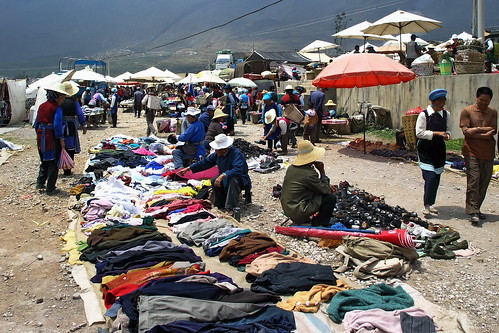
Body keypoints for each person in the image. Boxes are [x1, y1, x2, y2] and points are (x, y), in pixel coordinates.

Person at [178, 134, 251, 212]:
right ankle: (220, 204)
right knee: (213, 180)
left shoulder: (236, 154)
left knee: (233, 181)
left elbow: (238, 169)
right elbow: (205, 162)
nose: (215, 151)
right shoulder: (217, 155)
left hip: (240, 178)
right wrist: (189, 168)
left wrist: (223, 175)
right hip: (225, 177)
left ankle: (231, 207)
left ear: (224, 149)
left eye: (217, 149)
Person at [459, 87, 497, 224]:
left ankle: (477, 208)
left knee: (484, 181)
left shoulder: (493, 112)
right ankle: (472, 210)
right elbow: (466, 132)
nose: (484, 103)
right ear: (477, 98)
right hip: (471, 151)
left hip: (488, 152)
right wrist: (482, 132)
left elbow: (493, 130)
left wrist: (476, 130)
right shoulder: (467, 111)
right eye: (482, 100)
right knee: (474, 180)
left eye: (487, 101)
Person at [280, 140, 336, 227]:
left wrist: (325, 184)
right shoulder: (309, 173)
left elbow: (311, 184)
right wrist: (322, 172)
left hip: (288, 207)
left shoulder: (292, 168)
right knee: (330, 198)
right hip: (297, 209)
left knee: (320, 193)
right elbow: (325, 190)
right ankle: (319, 224)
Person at [34, 81, 77, 195]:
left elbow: (36, 123)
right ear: (58, 96)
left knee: (44, 159)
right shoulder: (56, 108)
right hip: (50, 136)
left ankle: (40, 182)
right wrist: (61, 139)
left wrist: (38, 134)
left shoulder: (42, 106)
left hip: (41, 135)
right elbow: (57, 125)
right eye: (62, 97)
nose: (63, 99)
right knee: (53, 162)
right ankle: (50, 188)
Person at [416, 89, 451, 216]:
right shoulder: (424, 115)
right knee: (430, 177)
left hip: (439, 149)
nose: (442, 103)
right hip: (426, 149)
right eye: (440, 100)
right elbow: (419, 133)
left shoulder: (446, 114)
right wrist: (436, 133)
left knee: (436, 178)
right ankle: (426, 205)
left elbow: (448, 129)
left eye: (443, 100)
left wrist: (447, 135)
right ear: (433, 101)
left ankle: (430, 203)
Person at [60, 83, 87, 176]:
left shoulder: (59, 101)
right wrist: (83, 125)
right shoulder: (73, 101)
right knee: (70, 147)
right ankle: (68, 169)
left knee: (60, 146)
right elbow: (80, 113)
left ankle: (59, 167)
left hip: (59, 125)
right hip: (70, 125)